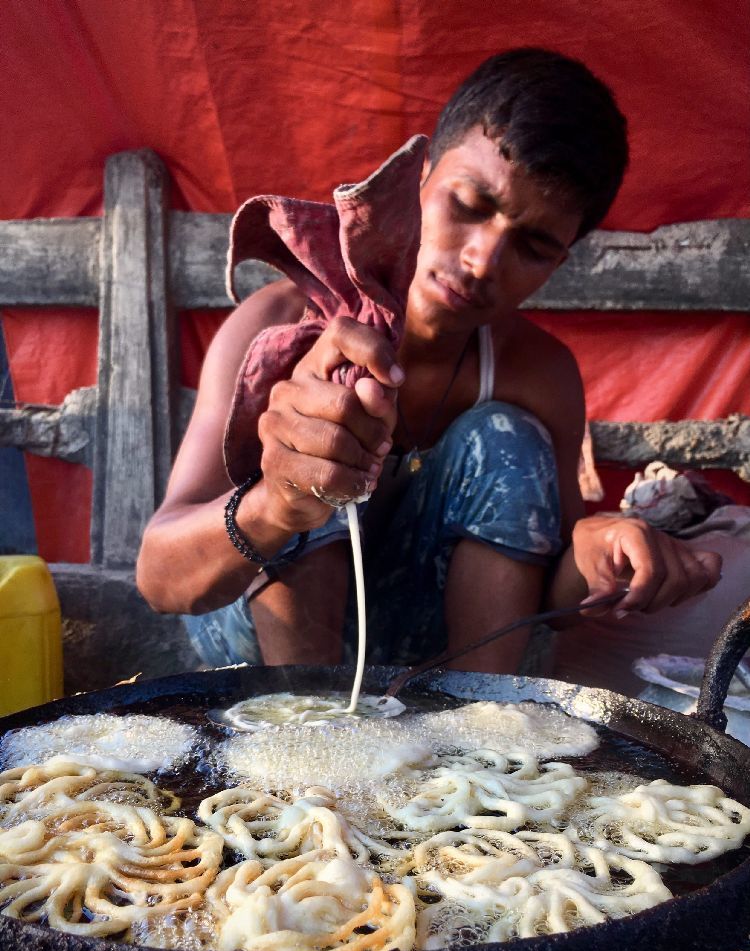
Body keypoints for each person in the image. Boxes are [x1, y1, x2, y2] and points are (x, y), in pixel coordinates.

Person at [136, 48, 721, 674]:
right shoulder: (276, 325)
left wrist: (600, 550)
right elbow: (161, 578)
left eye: (532, 244)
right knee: (327, 409)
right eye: (468, 205)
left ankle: (480, 728)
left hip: (428, 651)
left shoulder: (539, 373)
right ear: (418, 181)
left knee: (505, 438)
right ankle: (313, 739)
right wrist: (278, 499)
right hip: (259, 653)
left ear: (558, 263)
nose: (483, 261)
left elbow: (547, 595)